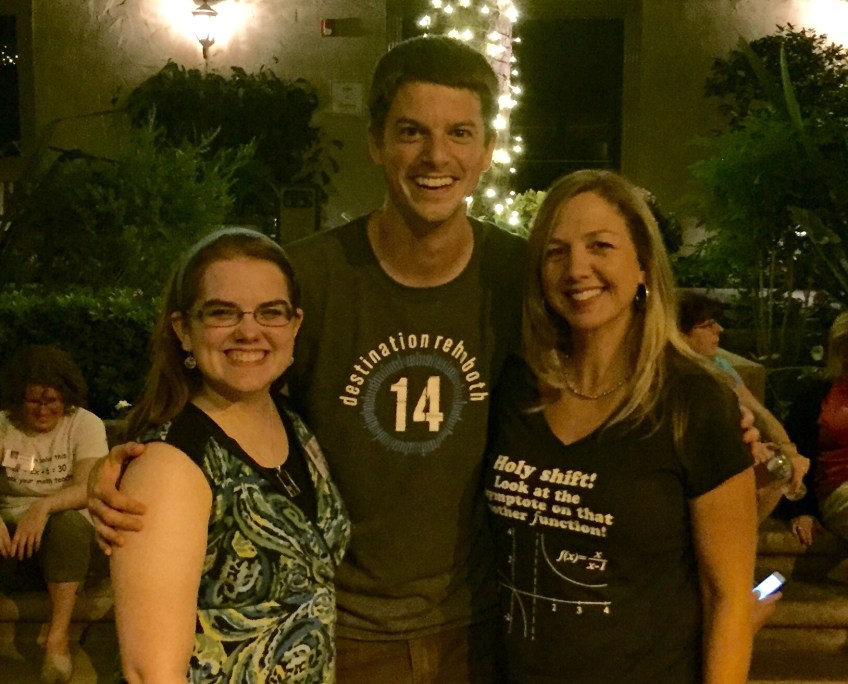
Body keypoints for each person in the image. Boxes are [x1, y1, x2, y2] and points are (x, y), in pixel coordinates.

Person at [88, 37, 762, 684]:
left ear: (487, 149)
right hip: (346, 637)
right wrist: (121, 465)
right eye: (412, 132)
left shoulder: (520, 278)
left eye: (460, 133)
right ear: (377, 142)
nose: (436, 156)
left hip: (482, 635)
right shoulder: (312, 279)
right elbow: (231, 393)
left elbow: (613, 365)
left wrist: (724, 436)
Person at [484, 170, 757, 683]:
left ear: (644, 264)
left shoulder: (694, 401)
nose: (576, 269)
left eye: (600, 246)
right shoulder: (515, 387)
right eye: (556, 252)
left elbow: (728, 597)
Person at [109, 228, 350, 682]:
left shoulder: (291, 421)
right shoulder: (169, 467)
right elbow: (151, 673)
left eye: (270, 312)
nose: (249, 331)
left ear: (294, 324)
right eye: (222, 313)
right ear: (184, 329)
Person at [0, 345, 107, 684]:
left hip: (69, 541)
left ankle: (57, 640)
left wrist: (43, 507)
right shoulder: (3, 425)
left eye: (51, 401)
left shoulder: (84, 424)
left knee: (66, 525)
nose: (42, 409)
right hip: (12, 540)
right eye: (33, 401)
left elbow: (88, 487)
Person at [678, 291, 809, 520]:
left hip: (733, 455)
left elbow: (759, 412)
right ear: (680, 334)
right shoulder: (678, 376)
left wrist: (790, 450)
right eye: (707, 325)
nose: (719, 329)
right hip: (702, 465)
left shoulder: (719, 366)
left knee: (780, 466)